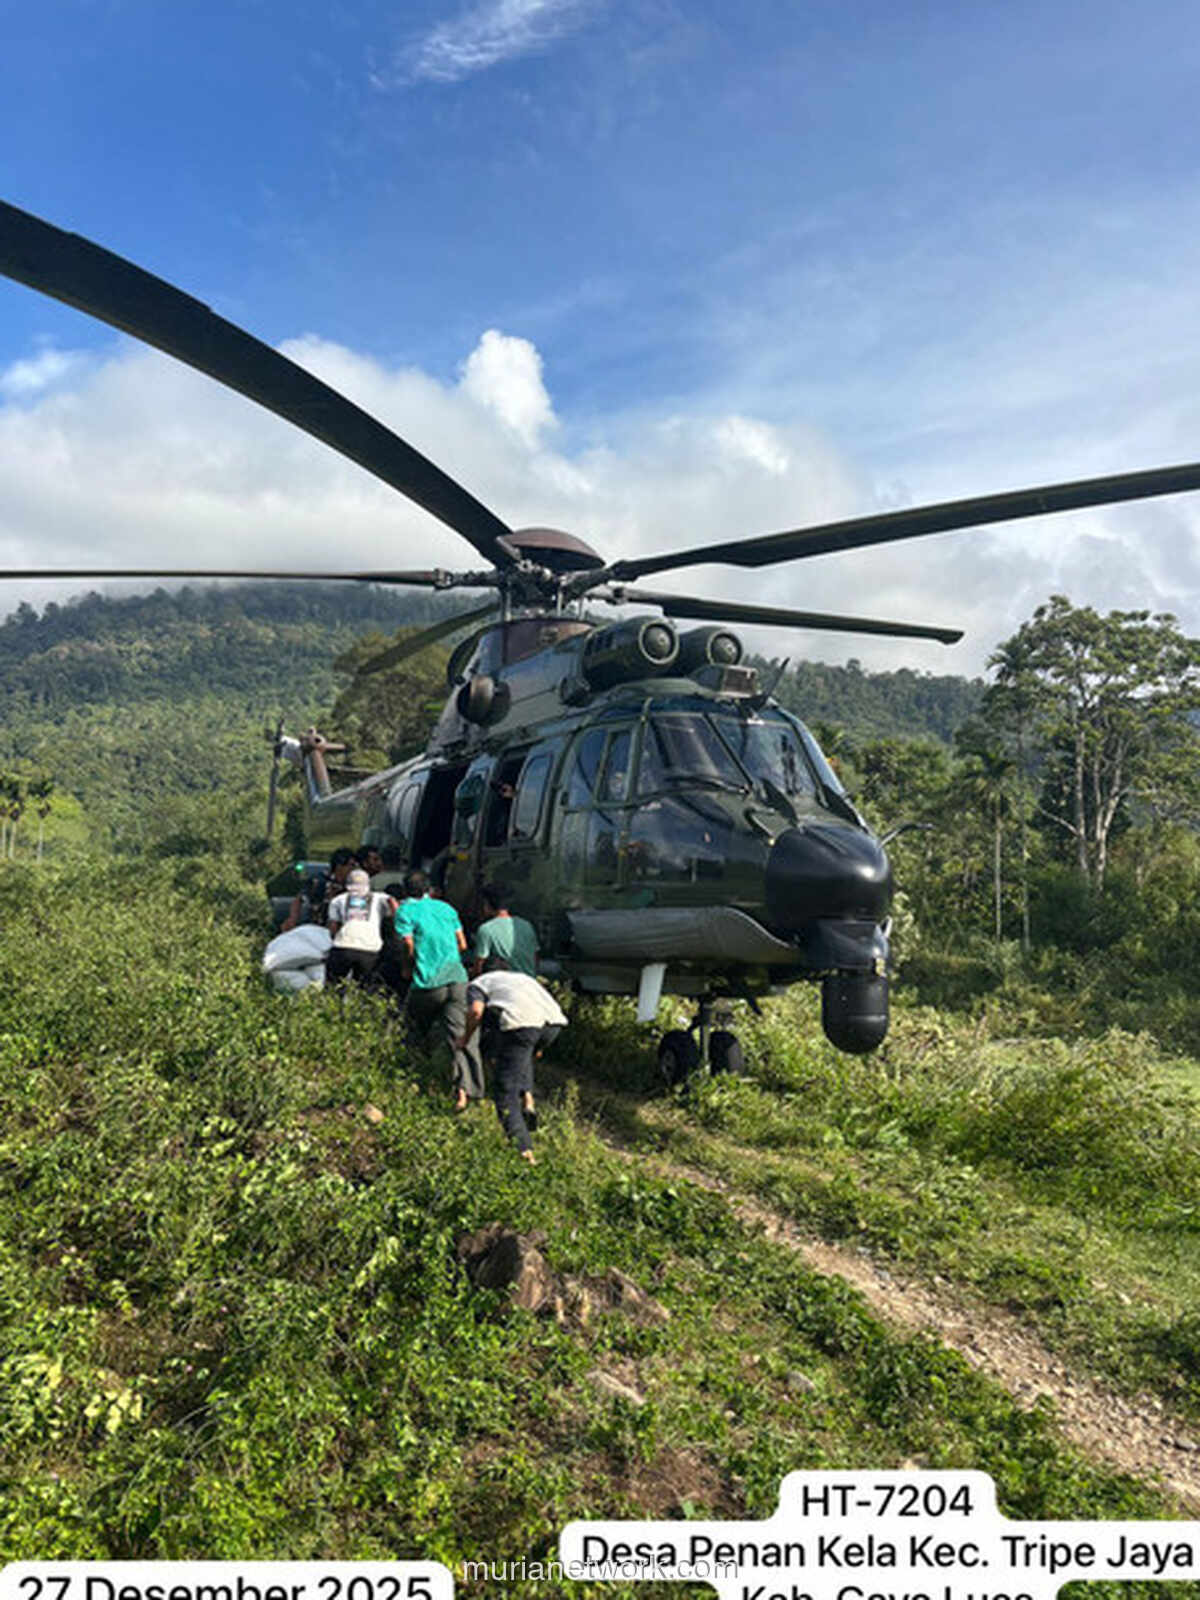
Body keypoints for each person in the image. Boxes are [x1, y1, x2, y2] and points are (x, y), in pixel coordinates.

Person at [457, 964, 567, 1164]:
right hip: (552, 1025)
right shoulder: (520, 978)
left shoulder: (478, 983)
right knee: (520, 1053)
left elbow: (475, 1012)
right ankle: (528, 1098)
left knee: (504, 1092)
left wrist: (465, 1037)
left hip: (523, 1024)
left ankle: (524, 1151)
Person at [394, 869, 483, 1108]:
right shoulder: (446, 908)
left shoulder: (405, 911)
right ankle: (465, 1092)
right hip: (457, 978)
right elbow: (462, 944)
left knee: (412, 1026)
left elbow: (408, 944)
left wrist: (407, 966)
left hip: (428, 982)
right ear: (428, 890)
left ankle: (413, 1075)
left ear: (406, 891)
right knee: (462, 1036)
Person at [326, 868, 397, 987]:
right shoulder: (380, 898)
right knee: (366, 989)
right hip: (370, 949)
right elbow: (393, 904)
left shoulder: (337, 900)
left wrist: (336, 940)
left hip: (343, 947)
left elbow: (333, 928)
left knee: (334, 987)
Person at [470, 882, 539, 978]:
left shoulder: (486, 929)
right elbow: (535, 958)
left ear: (487, 904)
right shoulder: (526, 925)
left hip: (504, 984)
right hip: (529, 983)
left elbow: (479, 964)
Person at [281, 846, 354, 931]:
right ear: (339, 866)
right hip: (316, 928)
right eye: (351, 865)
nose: (353, 869)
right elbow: (299, 899)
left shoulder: (351, 885)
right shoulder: (319, 880)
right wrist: (293, 919)